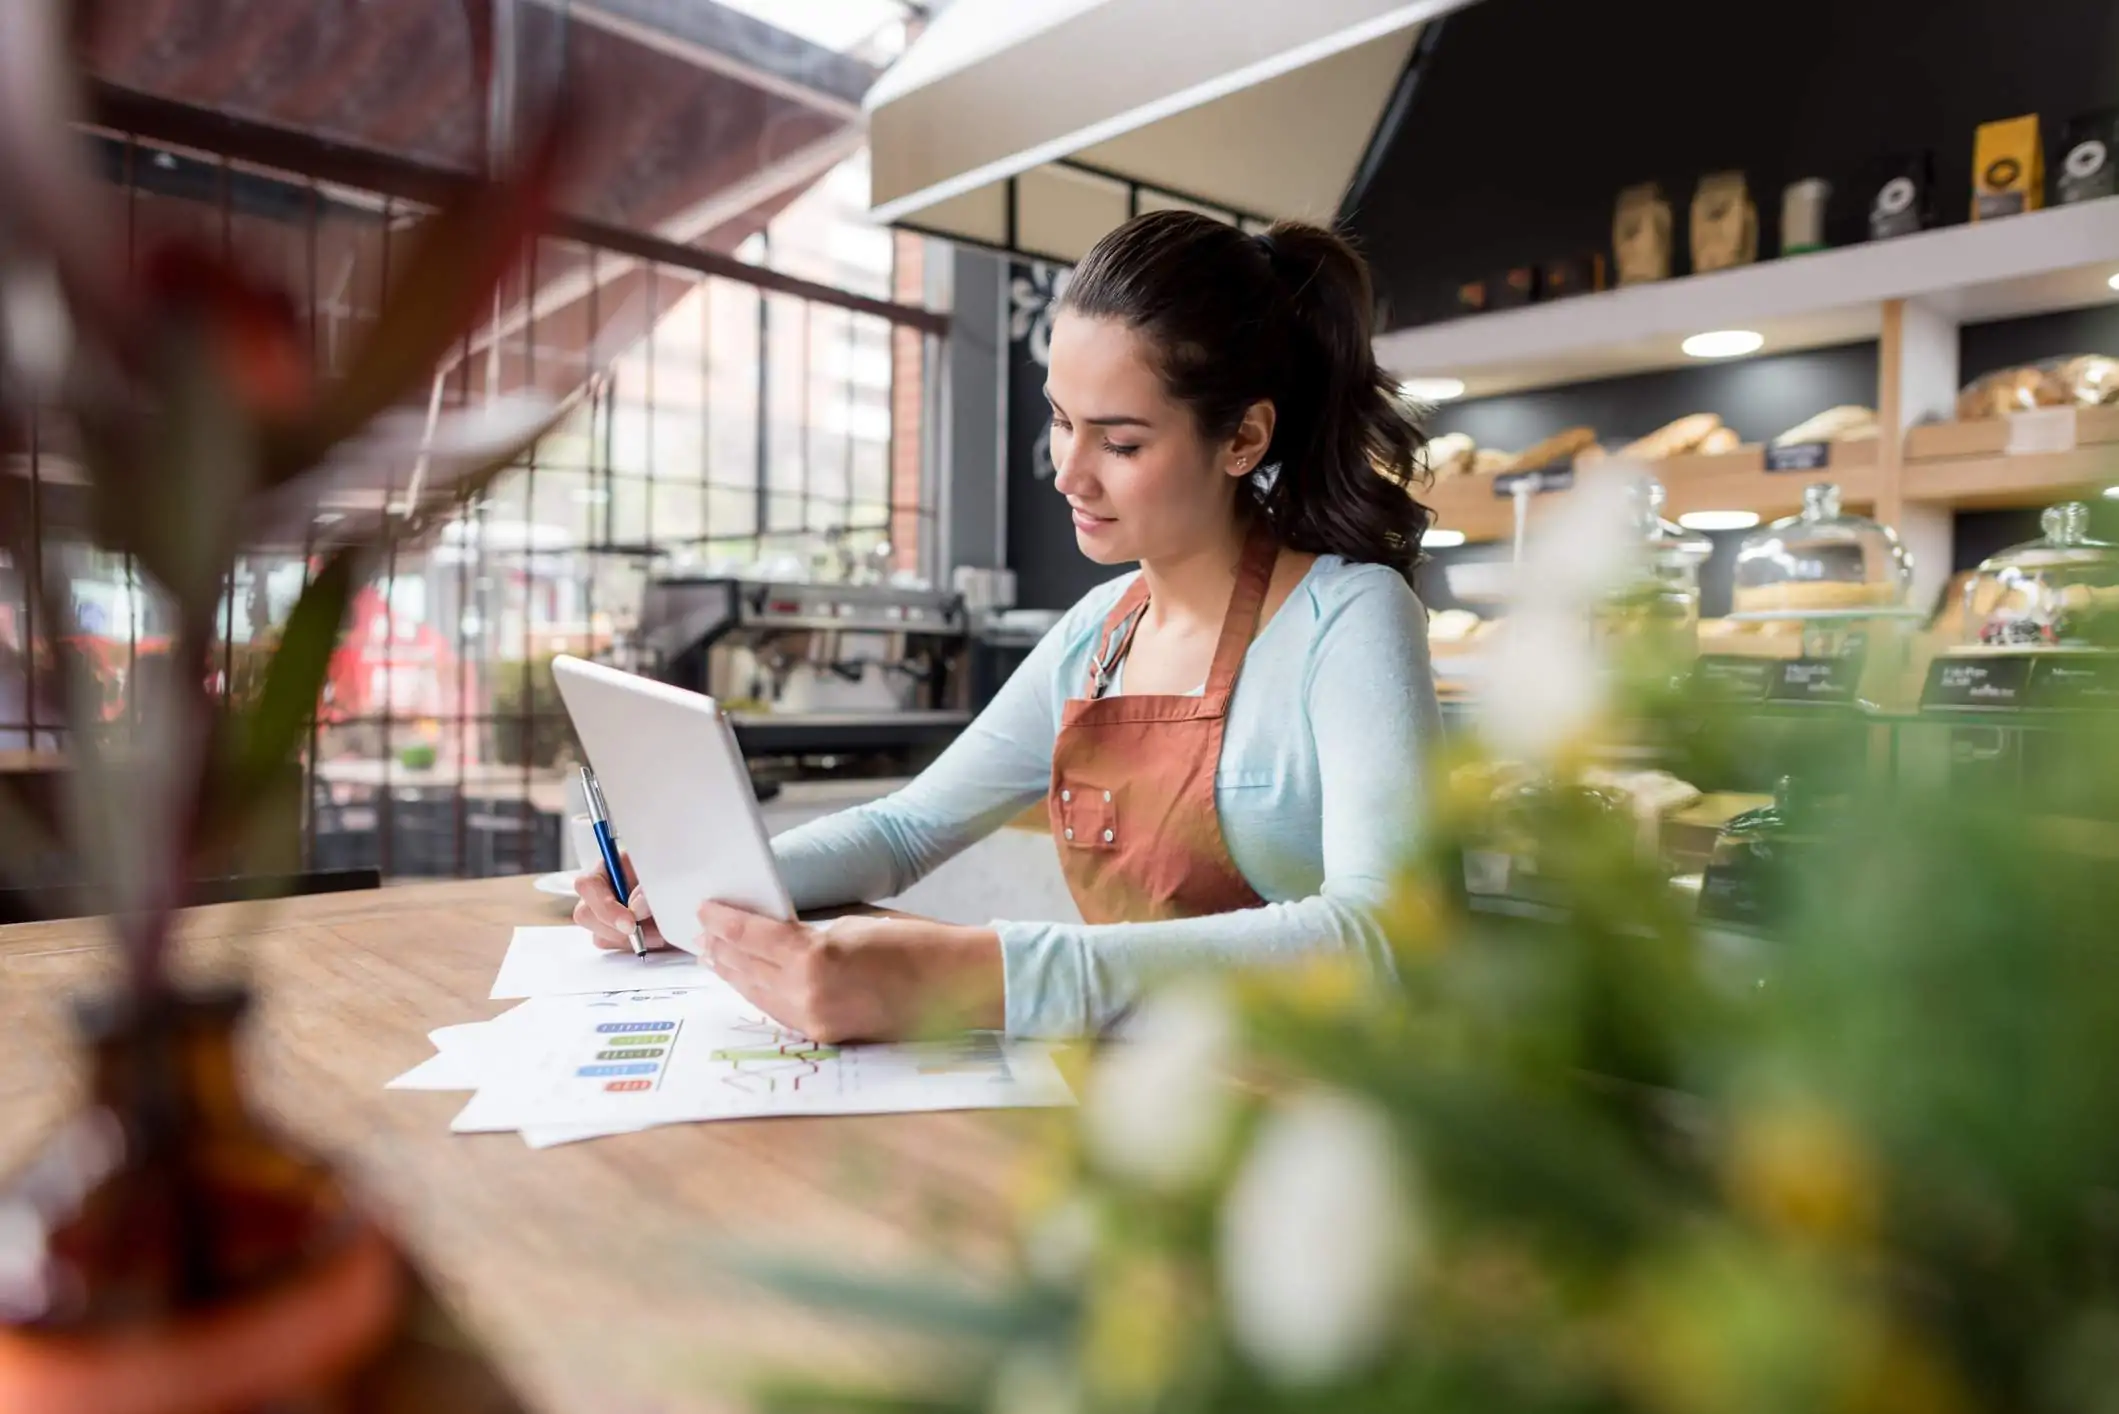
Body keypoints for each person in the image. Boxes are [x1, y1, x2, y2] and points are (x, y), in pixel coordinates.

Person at [575, 210, 1442, 1042]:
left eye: (1121, 443)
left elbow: (1382, 939)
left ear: (1243, 439)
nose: (1068, 473)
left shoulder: (1350, 618)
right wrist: (694, 889)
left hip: (1316, 1115)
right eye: (1061, 419)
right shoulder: (1096, 635)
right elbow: (904, 830)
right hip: (1152, 1106)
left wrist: (974, 972)